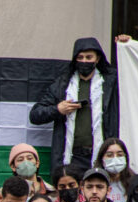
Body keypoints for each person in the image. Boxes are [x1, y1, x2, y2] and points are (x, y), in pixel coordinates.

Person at [29, 37, 119, 168]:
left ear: (98, 59)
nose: (84, 61)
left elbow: (132, 75)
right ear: (75, 59)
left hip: (103, 156)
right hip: (70, 157)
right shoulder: (62, 85)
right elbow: (35, 115)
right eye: (80, 57)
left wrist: (126, 45)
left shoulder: (111, 84)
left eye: (89, 57)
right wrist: (58, 109)